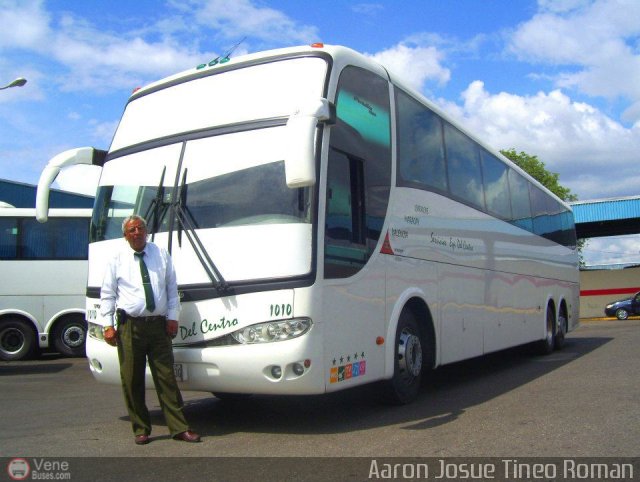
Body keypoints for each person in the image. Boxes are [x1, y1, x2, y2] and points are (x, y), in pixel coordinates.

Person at [100, 214, 201, 445]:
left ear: (146, 231)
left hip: (158, 326)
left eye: (140, 228)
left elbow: (172, 289)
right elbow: (108, 294)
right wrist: (107, 325)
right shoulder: (116, 259)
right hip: (129, 327)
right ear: (125, 235)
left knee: (166, 378)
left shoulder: (160, 254)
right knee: (132, 379)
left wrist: (173, 317)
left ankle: (179, 428)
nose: (137, 233)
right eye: (132, 230)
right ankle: (141, 429)